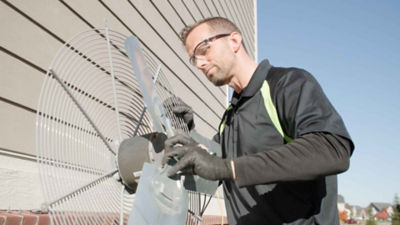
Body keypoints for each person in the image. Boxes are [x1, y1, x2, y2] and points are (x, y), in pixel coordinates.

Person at [162, 17, 354, 225]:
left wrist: (229, 168)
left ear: (234, 41)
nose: (199, 64)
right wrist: (189, 133)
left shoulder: (287, 84)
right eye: (193, 59)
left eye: (203, 49)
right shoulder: (230, 117)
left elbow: (333, 149)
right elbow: (213, 167)